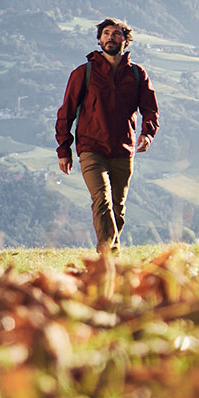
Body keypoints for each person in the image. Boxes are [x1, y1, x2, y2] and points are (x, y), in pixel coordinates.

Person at [55, 17, 159, 258]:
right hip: (91, 148)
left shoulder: (137, 74)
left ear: (125, 39)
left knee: (118, 210)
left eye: (117, 33)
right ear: (99, 39)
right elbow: (66, 112)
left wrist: (148, 133)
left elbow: (150, 108)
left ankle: (106, 252)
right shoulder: (84, 73)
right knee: (101, 201)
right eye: (107, 33)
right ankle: (109, 258)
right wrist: (64, 150)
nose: (111, 37)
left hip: (123, 149)